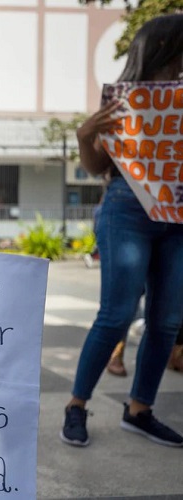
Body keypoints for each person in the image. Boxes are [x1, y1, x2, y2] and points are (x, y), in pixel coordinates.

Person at [60, 13, 183, 448]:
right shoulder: (123, 99)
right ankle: (76, 405)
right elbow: (99, 168)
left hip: (177, 217)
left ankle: (140, 410)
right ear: (166, 49)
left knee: (167, 320)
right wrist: (84, 137)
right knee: (116, 314)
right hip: (127, 210)